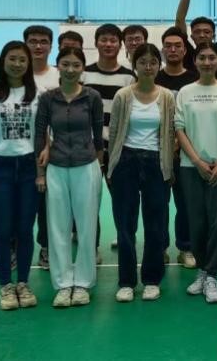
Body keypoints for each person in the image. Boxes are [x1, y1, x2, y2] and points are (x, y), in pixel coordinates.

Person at [0, 41, 41, 310]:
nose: (17, 64)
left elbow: (42, 136)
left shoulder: (39, 96)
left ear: (28, 63)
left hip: (29, 167)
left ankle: (23, 283)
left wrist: (41, 171)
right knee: (2, 230)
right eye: (12, 59)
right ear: (3, 62)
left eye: (22, 59)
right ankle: (5, 286)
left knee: (25, 230)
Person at [35, 47, 104, 308]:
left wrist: (98, 166)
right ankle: (63, 284)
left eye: (76, 65)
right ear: (58, 66)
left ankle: (84, 282)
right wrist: (40, 173)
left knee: (86, 227)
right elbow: (40, 133)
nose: (71, 69)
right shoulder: (47, 98)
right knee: (58, 227)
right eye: (66, 64)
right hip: (56, 167)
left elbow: (98, 134)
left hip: (87, 167)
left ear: (82, 68)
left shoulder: (92, 97)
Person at [107, 44, 176, 302]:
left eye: (153, 62)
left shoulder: (167, 96)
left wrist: (168, 166)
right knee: (125, 224)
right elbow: (114, 132)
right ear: (134, 65)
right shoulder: (123, 96)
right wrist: (111, 166)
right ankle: (126, 281)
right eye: (143, 62)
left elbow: (171, 132)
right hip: (125, 161)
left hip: (156, 163)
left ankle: (151, 279)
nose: (148, 67)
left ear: (159, 65)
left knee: (155, 224)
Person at [175, 42, 217, 304]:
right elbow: (179, 128)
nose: (207, 62)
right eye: (202, 57)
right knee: (197, 221)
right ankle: (202, 270)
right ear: (195, 61)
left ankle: (211, 275)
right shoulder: (185, 92)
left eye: (212, 57)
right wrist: (196, 161)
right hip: (191, 167)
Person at [84, 24, 137, 253]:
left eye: (113, 40)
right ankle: (91, 246)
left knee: (122, 199)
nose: (108, 44)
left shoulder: (128, 77)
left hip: (118, 148)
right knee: (88, 201)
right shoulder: (84, 74)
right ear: (96, 43)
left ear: (120, 45)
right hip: (88, 149)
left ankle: (125, 238)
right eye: (104, 40)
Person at [155, 26, 199, 269]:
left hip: (186, 152)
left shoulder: (194, 79)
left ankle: (186, 247)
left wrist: (180, 143)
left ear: (185, 50)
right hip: (157, 151)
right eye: (168, 46)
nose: (173, 49)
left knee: (185, 203)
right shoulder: (154, 78)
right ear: (163, 49)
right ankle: (160, 247)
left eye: (178, 46)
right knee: (158, 203)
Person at [24, 25, 57, 270]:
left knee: (47, 207)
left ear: (50, 45)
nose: (38, 46)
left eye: (43, 41)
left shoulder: (58, 75)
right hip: (20, 150)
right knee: (21, 204)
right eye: (33, 41)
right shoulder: (15, 75)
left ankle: (46, 247)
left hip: (51, 153)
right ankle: (15, 247)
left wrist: (51, 144)